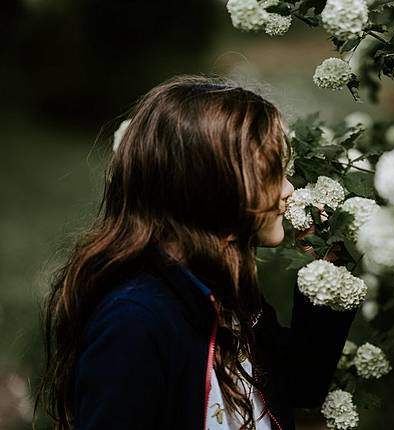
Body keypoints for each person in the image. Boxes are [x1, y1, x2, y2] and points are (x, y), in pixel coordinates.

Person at [35, 75, 357, 430]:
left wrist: (326, 267)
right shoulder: (135, 322)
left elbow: (301, 383)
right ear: (217, 186)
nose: (289, 189)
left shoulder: (224, 293)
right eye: (272, 173)